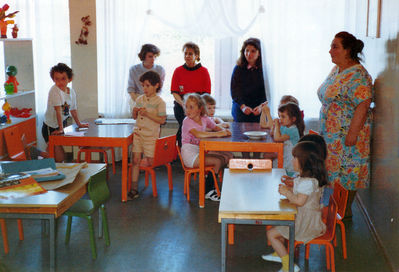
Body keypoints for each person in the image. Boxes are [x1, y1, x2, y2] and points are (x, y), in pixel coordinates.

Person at [318, 31, 373, 219]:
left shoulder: (359, 75)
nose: (330, 51)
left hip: (348, 135)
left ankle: (344, 215)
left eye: (335, 47)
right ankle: (337, 213)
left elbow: (363, 105)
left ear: (348, 50)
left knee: (347, 174)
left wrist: (352, 134)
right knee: (336, 174)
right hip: (333, 135)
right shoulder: (337, 70)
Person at [263, 141, 327, 272]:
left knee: (271, 234)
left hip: (306, 223)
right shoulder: (308, 178)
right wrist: (290, 190)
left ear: (304, 162)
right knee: (278, 229)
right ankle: (280, 252)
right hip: (303, 217)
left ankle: (289, 266)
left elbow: (299, 201)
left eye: (294, 158)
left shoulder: (308, 182)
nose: (292, 160)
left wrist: (287, 192)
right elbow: (301, 196)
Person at [181, 93, 231, 201]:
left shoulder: (204, 118)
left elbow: (215, 127)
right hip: (189, 154)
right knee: (218, 161)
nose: (187, 110)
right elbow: (198, 134)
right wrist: (218, 134)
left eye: (191, 107)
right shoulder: (187, 121)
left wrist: (224, 131)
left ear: (200, 109)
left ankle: (209, 184)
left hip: (199, 151)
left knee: (225, 157)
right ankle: (208, 191)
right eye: (186, 107)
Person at [128, 71, 166, 200]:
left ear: (156, 85)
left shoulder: (160, 102)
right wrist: (134, 112)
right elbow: (134, 117)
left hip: (151, 137)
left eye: (148, 85)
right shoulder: (139, 99)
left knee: (151, 162)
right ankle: (133, 188)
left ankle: (145, 168)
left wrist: (148, 114)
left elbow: (162, 120)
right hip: (138, 134)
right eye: (143, 86)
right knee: (135, 160)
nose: (144, 88)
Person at [42, 63, 88, 162]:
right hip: (50, 126)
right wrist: (61, 129)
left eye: (63, 78)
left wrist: (79, 124)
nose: (60, 82)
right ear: (53, 79)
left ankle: (40, 155)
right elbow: (58, 111)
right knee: (58, 156)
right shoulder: (54, 91)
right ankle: (40, 155)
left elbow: (73, 110)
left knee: (56, 154)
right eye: (57, 79)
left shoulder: (71, 92)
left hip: (59, 124)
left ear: (69, 79)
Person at [171, 42, 211, 146]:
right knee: (184, 127)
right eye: (185, 53)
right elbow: (174, 92)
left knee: (196, 130)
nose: (187, 56)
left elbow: (206, 94)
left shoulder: (204, 71)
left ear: (196, 56)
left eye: (190, 54)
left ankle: (195, 153)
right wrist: (184, 105)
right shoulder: (178, 71)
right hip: (181, 105)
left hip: (198, 106)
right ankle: (180, 153)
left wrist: (196, 107)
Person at [230, 37, 266, 123]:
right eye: (247, 50)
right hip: (241, 105)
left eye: (253, 51)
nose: (249, 54)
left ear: (259, 53)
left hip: (259, 106)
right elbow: (235, 91)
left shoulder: (264, 70)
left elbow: (267, 92)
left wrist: (261, 106)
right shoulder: (238, 68)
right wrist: (243, 107)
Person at [270, 102, 305, 176]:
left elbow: (277, 138)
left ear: (293, 119)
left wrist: (277, 125)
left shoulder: (293, 130)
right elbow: (272, 134)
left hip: (291, 161)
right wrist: (274, 126)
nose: (280, 119)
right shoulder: (285, 127)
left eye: (283, 117)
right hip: (284, 156)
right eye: (279, 116)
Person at [201, 93, 234, 165]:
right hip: (204, 149)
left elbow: (216, 119)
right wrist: (220, 125)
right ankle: (211, 174)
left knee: (230, 155)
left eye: (214, 108)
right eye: (209, 108)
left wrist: (222, 122)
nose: (212, 110)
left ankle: (219, 173)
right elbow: (207, 128)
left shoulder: (209, 118)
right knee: (226, 157)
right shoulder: (202, 119)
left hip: (211, 147)